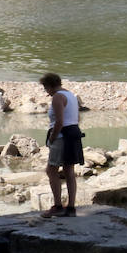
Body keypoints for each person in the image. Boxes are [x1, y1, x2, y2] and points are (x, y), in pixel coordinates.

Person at [39, 72, 82, 218]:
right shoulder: (71, 95)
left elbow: (59, 121)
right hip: (74, 133)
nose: (47, 93)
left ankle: (57, 205)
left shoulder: (57, 96)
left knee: (51, 170)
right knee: (69, 170)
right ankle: (71, 208)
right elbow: (78, 117)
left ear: (49, 86)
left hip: (62, 136)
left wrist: (52, 138)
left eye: (46, 89)